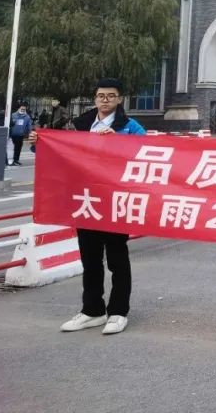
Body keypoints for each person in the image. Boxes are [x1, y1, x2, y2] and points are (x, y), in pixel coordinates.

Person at [30, 78, 146, 335]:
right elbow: (60, 155)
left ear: (119, 99)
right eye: (101, 96)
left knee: (117, 258)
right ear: (95, 98)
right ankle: (92, 310)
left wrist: (118, 141)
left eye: (111, 96)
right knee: (90, 258)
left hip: (115, 201)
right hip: (86, 200)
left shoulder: (130, 126)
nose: (105, 100)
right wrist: (40, 142)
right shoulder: (80, 125)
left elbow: (146, 155)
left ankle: (118, 311)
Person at [8, 102, 33, 166]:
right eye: (22, 109)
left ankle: (16, 160)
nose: (23, 110)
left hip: (20, 135)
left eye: (24, 109)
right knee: (10, 148)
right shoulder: (13, 115)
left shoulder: (27, 117)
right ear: (19, 108)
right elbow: (9, 124)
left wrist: (31, 133)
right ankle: (9, 160)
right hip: (12, 135)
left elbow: (29, 126)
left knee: (18, 148)